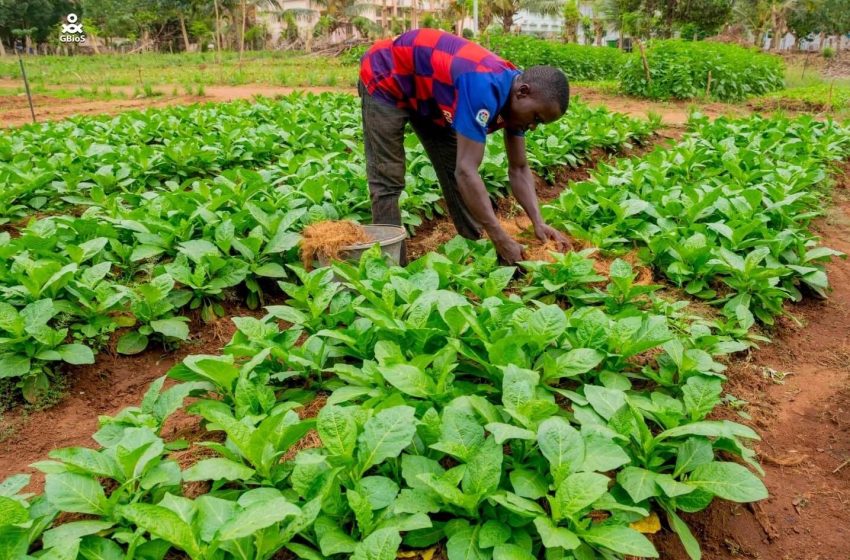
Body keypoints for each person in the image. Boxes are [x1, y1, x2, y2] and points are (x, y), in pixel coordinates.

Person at [359, 28, 571, 265]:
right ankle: (391, 269)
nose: (533, 127)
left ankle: (477, 249)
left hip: (431, 93)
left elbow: (519, 169)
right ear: (522, 92)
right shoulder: (482, 88)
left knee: (454, 171)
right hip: (387, 75)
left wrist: (538, 221)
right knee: (388, 178)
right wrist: (500, 237)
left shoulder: (519, 101)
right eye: (537, 118)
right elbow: (467, 171)